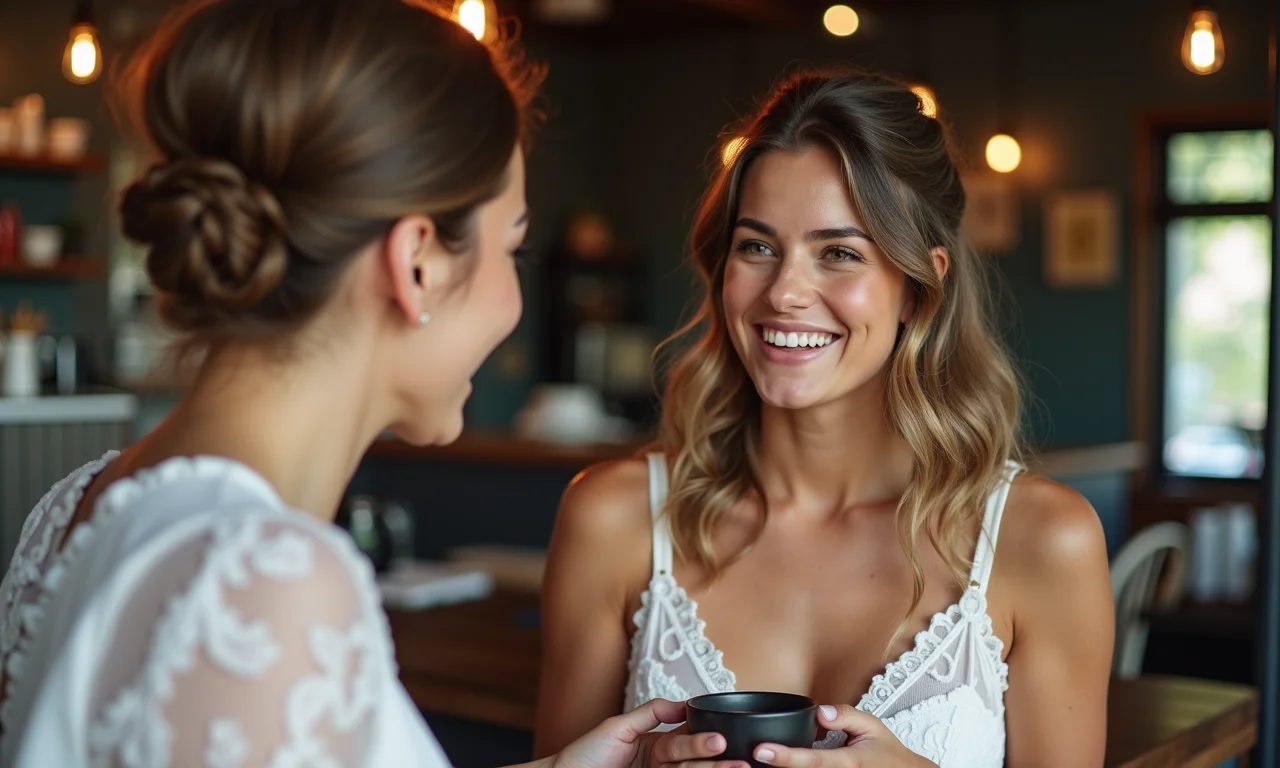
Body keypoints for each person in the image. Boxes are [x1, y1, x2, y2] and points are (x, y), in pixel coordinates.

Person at [0, 1, 739, 766]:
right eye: (511, 250)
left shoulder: (76, 507)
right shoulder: (268, 586)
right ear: (416, 263)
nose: (513, 303)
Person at [536, 70, 1114, 768]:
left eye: (839, 253)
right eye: (756, 246)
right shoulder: (613, 520)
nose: (785, 292)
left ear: (919, 287)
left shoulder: (1043, 541)